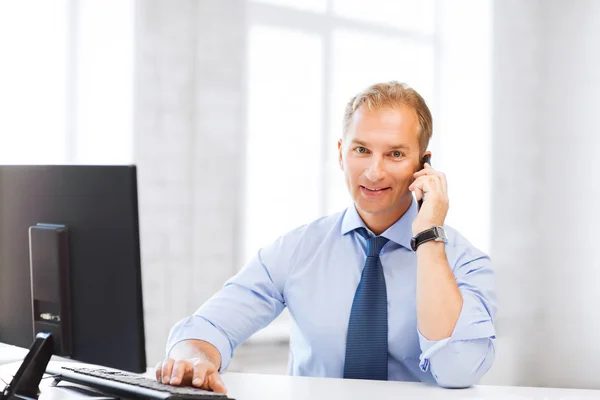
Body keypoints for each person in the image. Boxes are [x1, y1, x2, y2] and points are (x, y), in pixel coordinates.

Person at [155, 81, 496, 393]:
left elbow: (458, 369)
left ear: (423, 165)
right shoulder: (298, 249)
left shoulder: (463, 261)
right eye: (361, 150)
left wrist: (428, 238)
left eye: (395, 154)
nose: (374, 172)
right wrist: (193, 358)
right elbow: (210, 326)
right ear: (340, 153)